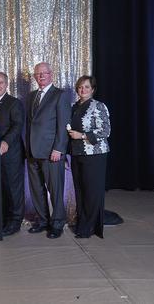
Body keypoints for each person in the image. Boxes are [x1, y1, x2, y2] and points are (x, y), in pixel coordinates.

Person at [25, 62, 71, 239]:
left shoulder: (60, 95)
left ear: (51, 74)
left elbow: (63, 125)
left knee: (56, 189)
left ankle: (58, 222)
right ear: (35, 77)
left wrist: (59, 149)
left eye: (44, 73)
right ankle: (43, 221)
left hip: (51, 152)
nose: (41, 76)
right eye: (38, 74)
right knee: (36, 189)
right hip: (32, 152)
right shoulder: (31, 97)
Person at [67, 75, 111, 239]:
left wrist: (82, 135)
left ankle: (90, 227)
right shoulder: (73, 107)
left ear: (92, 89)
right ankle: (82, 223)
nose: (82, 90)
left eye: (86, 87)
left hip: (94, 155)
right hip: (77, 153)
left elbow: (106, 131)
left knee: (92, 191)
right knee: (80, 191)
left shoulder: (98, 106)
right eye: (80, 87)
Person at [0, 72, 25, 236]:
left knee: (13, 188)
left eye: (0, 83)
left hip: (11, 154)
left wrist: (6, 142)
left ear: (6, 84)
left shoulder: (14, 103)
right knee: (0, 188)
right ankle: (2, 220)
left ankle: (15, 221)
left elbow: (17, 126)